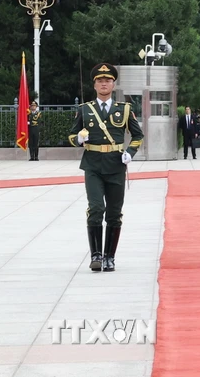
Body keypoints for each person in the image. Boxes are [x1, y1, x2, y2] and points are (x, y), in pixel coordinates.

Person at [68, 63, 144, 272]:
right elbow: (71, 136)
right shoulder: (84, 109)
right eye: (100, 81)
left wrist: (131, 152)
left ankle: (110, 256)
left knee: (113, 212)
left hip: (116, 165)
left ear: (113, 84)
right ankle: (96, 255)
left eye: (107, 80)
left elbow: (138, 135)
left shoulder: (125, 109)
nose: (104, 84)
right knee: (95, 209)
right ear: (94, 85)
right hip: (92, 164)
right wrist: (79, 139)